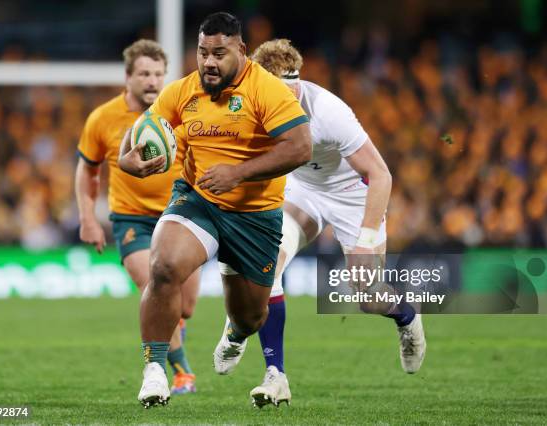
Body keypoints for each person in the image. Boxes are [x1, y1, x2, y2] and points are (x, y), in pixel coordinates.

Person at [118, 13, 312, 408]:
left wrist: (239, 173)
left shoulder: (267, 90)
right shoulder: (184, 90)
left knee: (250, 318)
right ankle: (155, 370)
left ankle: (236, 334)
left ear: (241, 50)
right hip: (198, 199)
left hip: (254, 214)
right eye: (202, 52)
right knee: (164, 266)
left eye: (219, 53)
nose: (208, 62)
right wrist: (128, 162)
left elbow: (299, 147)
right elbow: (141, 131)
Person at [228, 39, 427, 407]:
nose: (284, 100)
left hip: (352, 195)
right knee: (267, 263)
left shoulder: (328, 111)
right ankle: (276, 375)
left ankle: (407, 318)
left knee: (367, 296)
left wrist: (366, 240)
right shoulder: (250, 103)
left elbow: (380, 175)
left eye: (291, 90)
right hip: (302, 189)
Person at [75, 39, 199, 395]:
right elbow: (87, 170)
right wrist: (88, 218)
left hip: (181, 216)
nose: (152, 81)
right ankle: (182, 373)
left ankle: (173, 329)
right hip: (133, 221)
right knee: (157, 288)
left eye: (159, 74)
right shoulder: (103, 118)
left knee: (184, 306)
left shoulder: (179, 113)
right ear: (127, 76)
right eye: (144, 73)